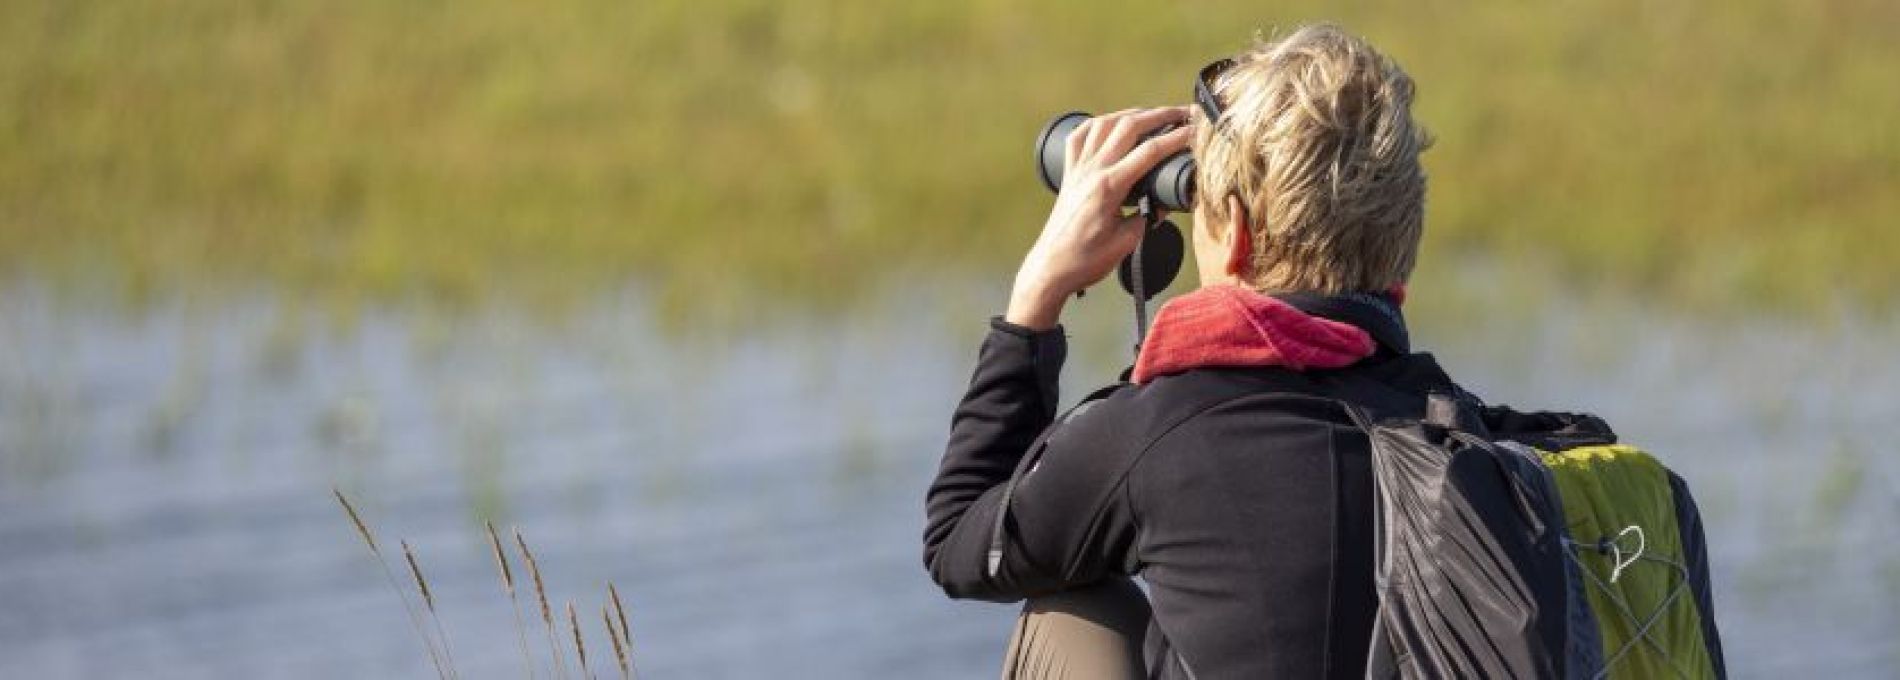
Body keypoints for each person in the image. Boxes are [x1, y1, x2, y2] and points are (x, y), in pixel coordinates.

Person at [924, 24, 1444, 678]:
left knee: (1073, 612)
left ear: (1235, 236)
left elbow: (958, 542)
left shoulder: (1161, 433)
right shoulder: (1464, 429)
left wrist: (1037, 295)